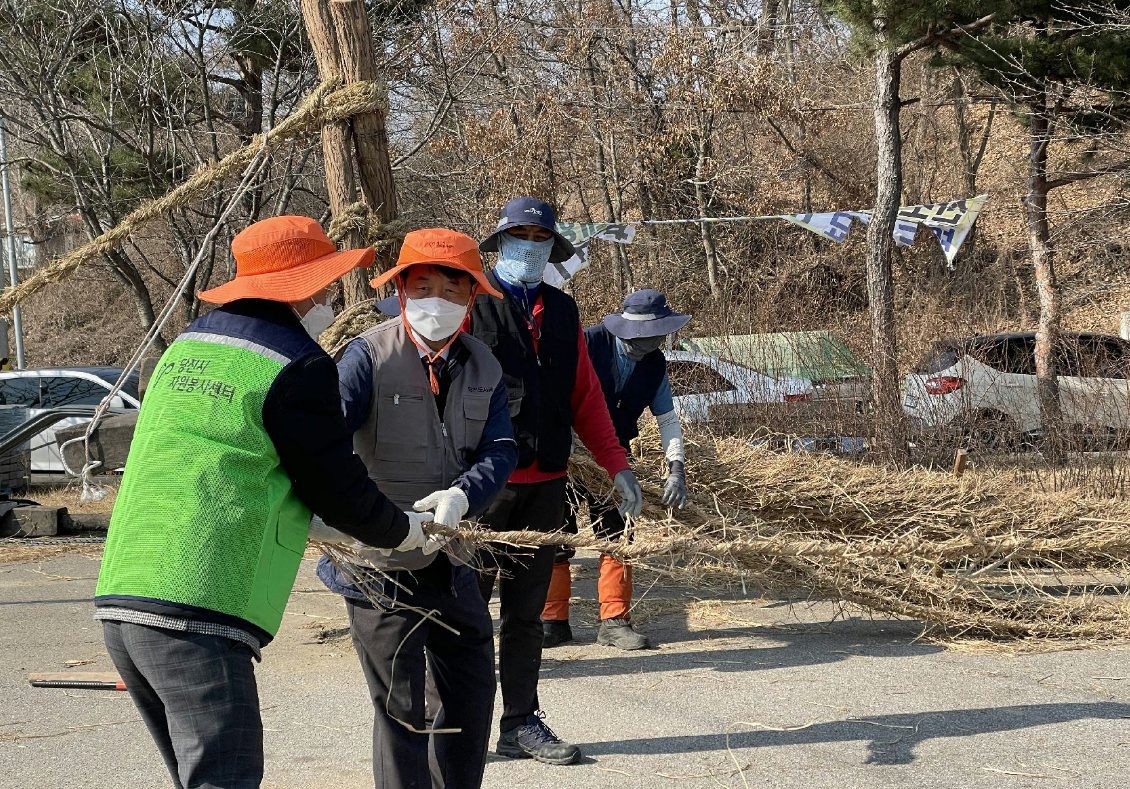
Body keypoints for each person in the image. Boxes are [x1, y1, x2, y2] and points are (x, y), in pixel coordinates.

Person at [93, 216, 437, 789]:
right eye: (326, 284)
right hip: (198, 601)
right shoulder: (297, 363)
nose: (330, 296)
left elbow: (234, 459)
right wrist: (401, 530)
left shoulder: (189, 344)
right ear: (302, 287)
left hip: (126, 592)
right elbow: (336, 484)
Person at [314, 228, 519, 789]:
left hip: (455, 561)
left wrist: (463, 496)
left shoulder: (484, 367)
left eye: (452, 291)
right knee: (402, 712)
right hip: (379, 569)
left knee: (472, 696)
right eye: (423, 287)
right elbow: (326, 449)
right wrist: (369, 520)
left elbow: (501, 449)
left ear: (472, 298)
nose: (438, 302)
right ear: (401, 291)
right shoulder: (366, 358)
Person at [467, 197, 643, 766]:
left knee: (525, 615)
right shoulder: (469, 304)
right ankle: (454, 722)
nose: (529, 246)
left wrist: (616, 464)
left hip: (546, 480)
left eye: (540, 238)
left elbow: (586, 397)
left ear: (552, 248)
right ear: (499, 244)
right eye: (518, 235)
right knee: (466, 611)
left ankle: (520, 722)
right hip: (477, 488)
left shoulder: (564, 313)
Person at [542, 290, 691, 651]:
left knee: (618, 535)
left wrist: (676, 468)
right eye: (644, 335)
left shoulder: (655, 365)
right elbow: (550, 391)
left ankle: (614, 622)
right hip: (566, 451)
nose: (650, 343)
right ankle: (551, 621)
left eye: (657, 336)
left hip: (614, 458)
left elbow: (667, 419)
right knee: (556, 534)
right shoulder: (586, 343)